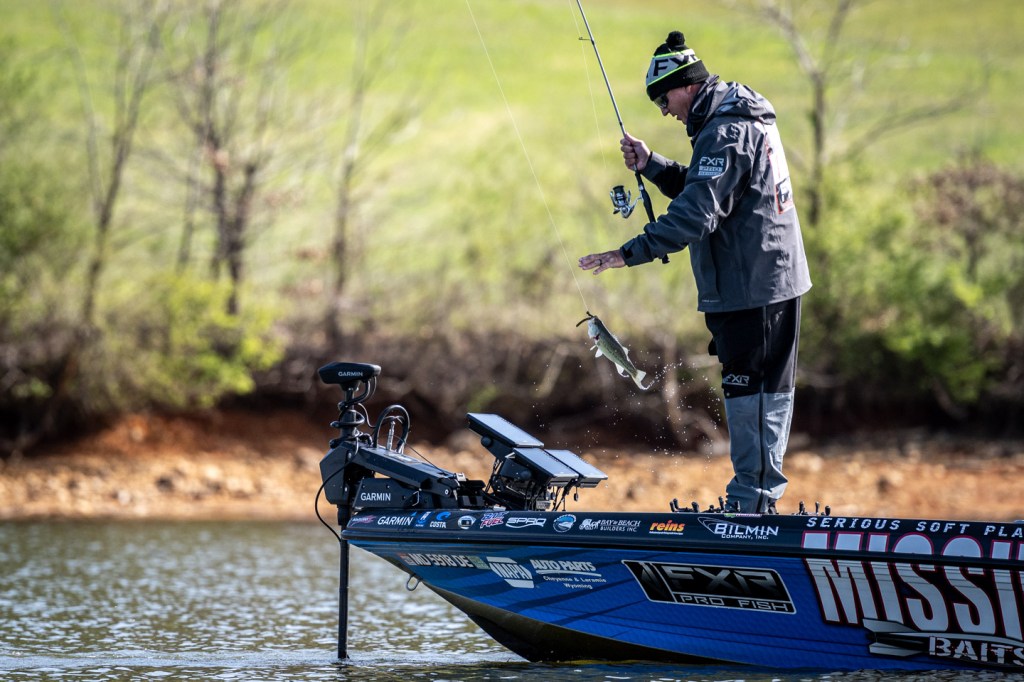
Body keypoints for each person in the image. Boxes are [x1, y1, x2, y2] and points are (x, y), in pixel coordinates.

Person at [579, 30, 811, 514]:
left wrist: (627, 253)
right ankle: (754, 501)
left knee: (755, 395)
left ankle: (751, 508)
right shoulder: (732, 121)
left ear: (686, 85)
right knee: (756, 393)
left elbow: (696, 214)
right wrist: (653, 165)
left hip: (756, 287)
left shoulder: (726, 131)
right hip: (760, 282)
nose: (665, 111)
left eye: (663, 99)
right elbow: (708, 191)